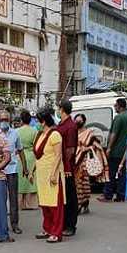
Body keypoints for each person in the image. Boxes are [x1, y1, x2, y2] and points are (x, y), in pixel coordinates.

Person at [34, 108, 65, 244]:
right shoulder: (39, 134)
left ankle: (56, 232)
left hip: (52, 174)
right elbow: (38, 155)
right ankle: (47, 228)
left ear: (44, 121)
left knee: (54, 205)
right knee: (45, 204)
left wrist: (53, 173)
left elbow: (58, 155)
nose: (37, 123)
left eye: (39, 121)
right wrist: (32, 171)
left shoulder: (55, 135)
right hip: (41, 174)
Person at [74, 114, 108, 215]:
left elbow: (97, 146)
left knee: (83, 182)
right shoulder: (73, 132)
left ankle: (83, 203)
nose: (77, 122)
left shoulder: (89, 133)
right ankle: (80, 203)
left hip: (83, 160)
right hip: (74, 160)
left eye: (79, 121)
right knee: (76, 183)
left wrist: (87, 148)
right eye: (76, 120)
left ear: (84, 122)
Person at [101, 98, 127, 202]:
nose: (115, 107)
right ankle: (121, 195)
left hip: (116, 150)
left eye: (116, 105)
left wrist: (109, 147)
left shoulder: (118, 118)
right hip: (125, 150)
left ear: (120, 106)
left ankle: (108, 195)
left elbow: (114, 134)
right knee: (122, 173)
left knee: (110, 172)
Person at [56, 100, 79, 237]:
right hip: (60, 165)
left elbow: (70, 149)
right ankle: (64, 223)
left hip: (67, 167)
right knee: (63, 197)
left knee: (70, 197)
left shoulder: (70, 126)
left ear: (62, 109)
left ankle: (71, 225)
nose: (58, 111)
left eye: (59, 109)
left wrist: (68, 167)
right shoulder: (62, 125)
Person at [0, 111, 24, 235]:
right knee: (1, 199)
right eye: (2, 119)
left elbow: (20, 150)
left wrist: (25, 167)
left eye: (5, 119)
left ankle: (15, 224)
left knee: (13, 199)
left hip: (12, 169)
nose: (4, 121)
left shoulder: (15, 133)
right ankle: (3, 224)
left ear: (9, 120)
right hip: (0, 171)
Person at [17, 110, 39, 210]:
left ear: (21, 120)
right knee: (31, 179)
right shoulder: (34, 131)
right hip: (31, 156)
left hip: (20, 157)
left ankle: (20, 204)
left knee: (21, 180)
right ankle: (32, 204)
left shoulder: (17, 131)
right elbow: (36, 146)